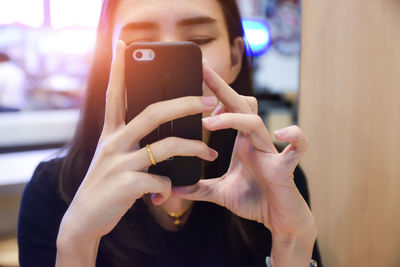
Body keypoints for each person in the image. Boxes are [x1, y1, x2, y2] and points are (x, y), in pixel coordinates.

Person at [18, 0, 322, 266]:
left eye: (198, 39)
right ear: (106, 64)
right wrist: (75, 243)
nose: (168, 63)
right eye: (141, 45)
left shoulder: (273, 182)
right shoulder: (53, 193)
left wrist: (290, 241)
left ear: (235, 59)